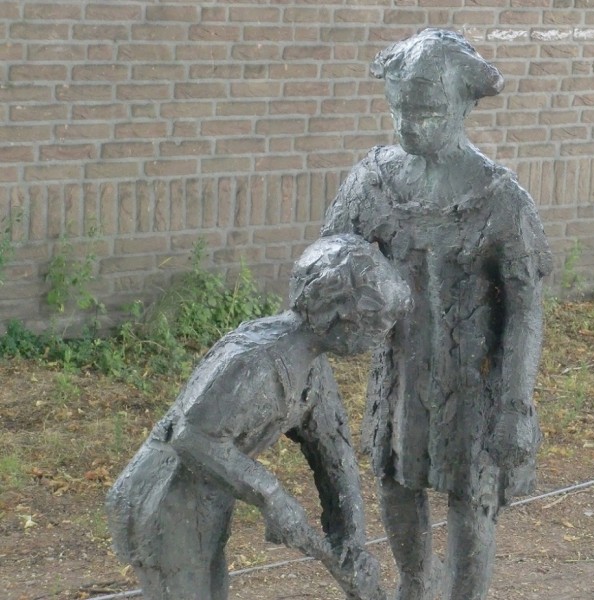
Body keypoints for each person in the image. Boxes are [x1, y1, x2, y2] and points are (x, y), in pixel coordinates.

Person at [321, 28, 553, 600]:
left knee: (470, 496)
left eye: (424, 110)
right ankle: (414, 585)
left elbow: (526, 306)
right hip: (399, 371)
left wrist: (517, 404)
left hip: (475, 382)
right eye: (398, 109)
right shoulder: (373, 180)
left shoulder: (500, 199)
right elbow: (330, 258)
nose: (407, 124)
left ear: (464, 103)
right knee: (396, 480)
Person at [106, 234, 411, 600]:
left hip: (205, 499)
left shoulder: (313, 367)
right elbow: (192, 436)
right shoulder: (255, 363)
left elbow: (335, 454)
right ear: (337, 315)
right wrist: (272, 496)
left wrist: (351, 543)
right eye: (376, 325)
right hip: (164, 498)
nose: (380, 338)